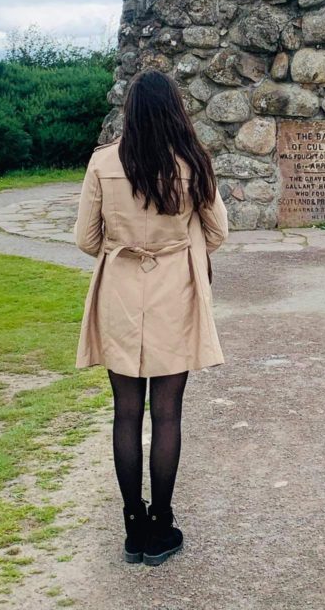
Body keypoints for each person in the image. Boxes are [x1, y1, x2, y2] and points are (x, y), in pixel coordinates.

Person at [73, 68, 228, 566]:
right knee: (167, 412)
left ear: (131, 110)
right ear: (174, 109)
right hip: (173, 293)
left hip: (120, 289)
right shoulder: (193, 163)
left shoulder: (103, 162)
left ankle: (132, 524)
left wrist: (123, 246)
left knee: (125, 411)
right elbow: (218, 231)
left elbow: (86, 239)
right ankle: (162, 521)